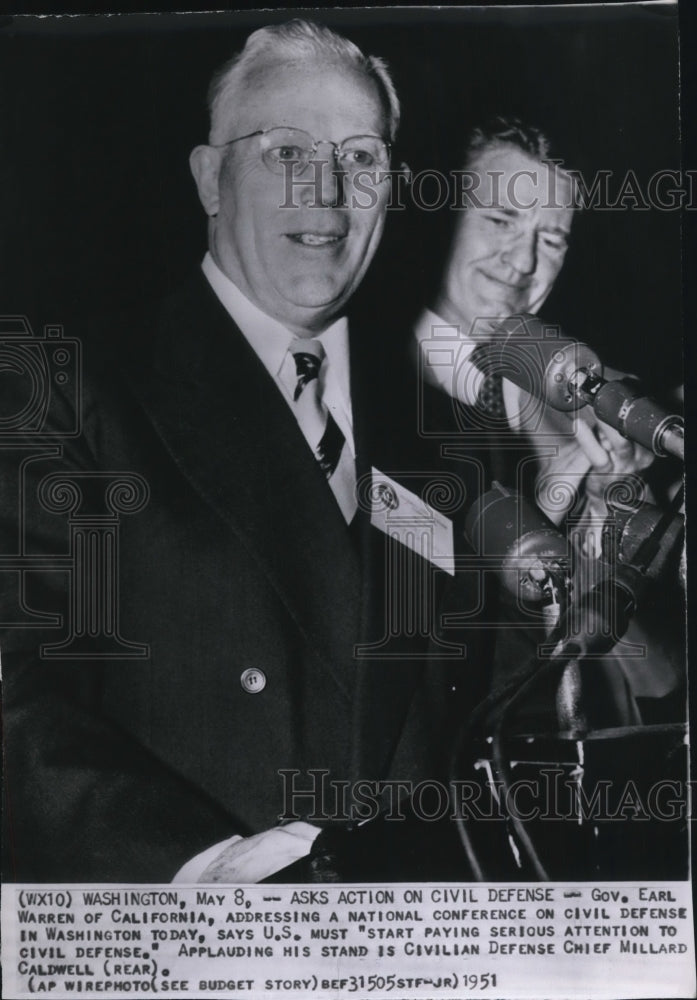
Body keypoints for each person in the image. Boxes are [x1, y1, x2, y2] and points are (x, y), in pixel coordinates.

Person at [1, 20, 489, 884]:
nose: (327, 193)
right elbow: (17, 687)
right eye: (283, 152)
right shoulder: (70, 392)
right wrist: (206, 869)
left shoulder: (440, 436)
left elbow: (471, 711)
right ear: (208, 179)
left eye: (362, 158)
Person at [414, 117, 684, 725]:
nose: (523, 260)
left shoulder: (586, 410)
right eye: (501, 220)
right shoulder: (365, 392)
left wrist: (601, 538)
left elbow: (659, 678)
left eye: (552, 238)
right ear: (441, 217)